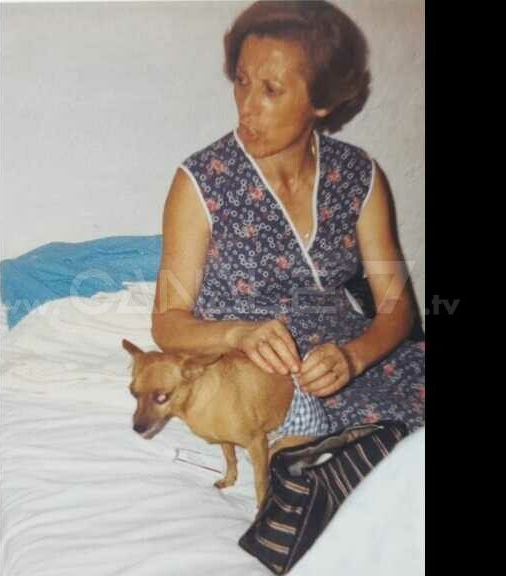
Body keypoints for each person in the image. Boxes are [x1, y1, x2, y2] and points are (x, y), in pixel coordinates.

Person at [151, 0, 424, 434]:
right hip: (253, 372)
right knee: (373, 447)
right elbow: (167, 322)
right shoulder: (201, 182)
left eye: (271, 90)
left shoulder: (358, 175)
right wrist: (237, 334)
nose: (247, 107)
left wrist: (353, 358)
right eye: (242, 82)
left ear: (322, 99)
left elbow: (396, 307)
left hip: (343, 357)